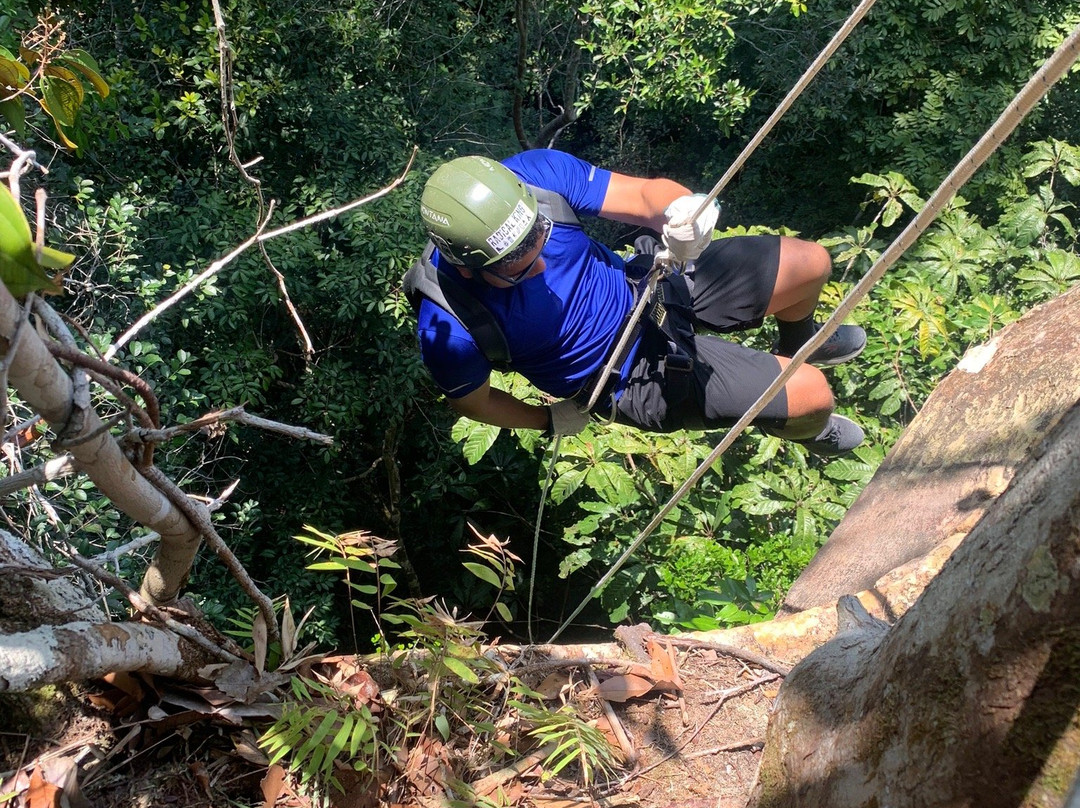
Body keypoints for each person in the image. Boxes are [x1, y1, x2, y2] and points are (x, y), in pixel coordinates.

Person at [412, 149, 865, 455]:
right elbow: (474, 402)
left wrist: (681, 212)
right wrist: (547, 419)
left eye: (538, 238)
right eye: (514, 267)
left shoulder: (536, 176)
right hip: (625, 374)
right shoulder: (449, 325)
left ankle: (801, 343)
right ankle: (812, 430)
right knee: (812, 394)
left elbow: (646, 195)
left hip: (646, 283)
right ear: (468, 268)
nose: (540, 267)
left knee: (810, 263)